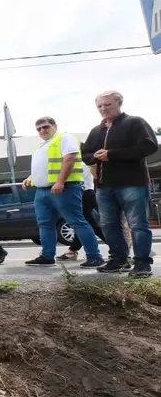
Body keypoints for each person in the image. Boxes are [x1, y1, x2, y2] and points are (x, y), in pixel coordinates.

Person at [82, 90, 158, 278]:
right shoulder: (96, 130)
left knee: (138, 224)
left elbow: (149, 145)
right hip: (104, 186)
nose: (103, 109)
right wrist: (94, 156)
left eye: (107, 104)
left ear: (119, 103)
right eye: (99, 106)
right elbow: (85, 155)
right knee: (108, 224)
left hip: (132, 183)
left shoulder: (135, 122)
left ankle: (142, 263)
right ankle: (119, 259)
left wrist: (112, 154)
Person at [21, 117, 104, 268]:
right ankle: (47, 256)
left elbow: (70, 159)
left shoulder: (65, 138)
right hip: (43, 190)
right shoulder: (42, 145)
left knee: (76, 221)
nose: (42, 131)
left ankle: (95, 256)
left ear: (54, 126)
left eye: (45, 127)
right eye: (38, 129)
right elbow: (46, 167)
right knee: (45, 224)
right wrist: (30, 178)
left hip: (65, 188)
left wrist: (60, 182)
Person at [57, 162, 106, 261]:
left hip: (84, 193)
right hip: (86, 192)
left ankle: (118, 248)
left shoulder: (82, 162)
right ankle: (72, 250)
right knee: (86, 223)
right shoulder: (82, 161)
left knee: (86, 224)